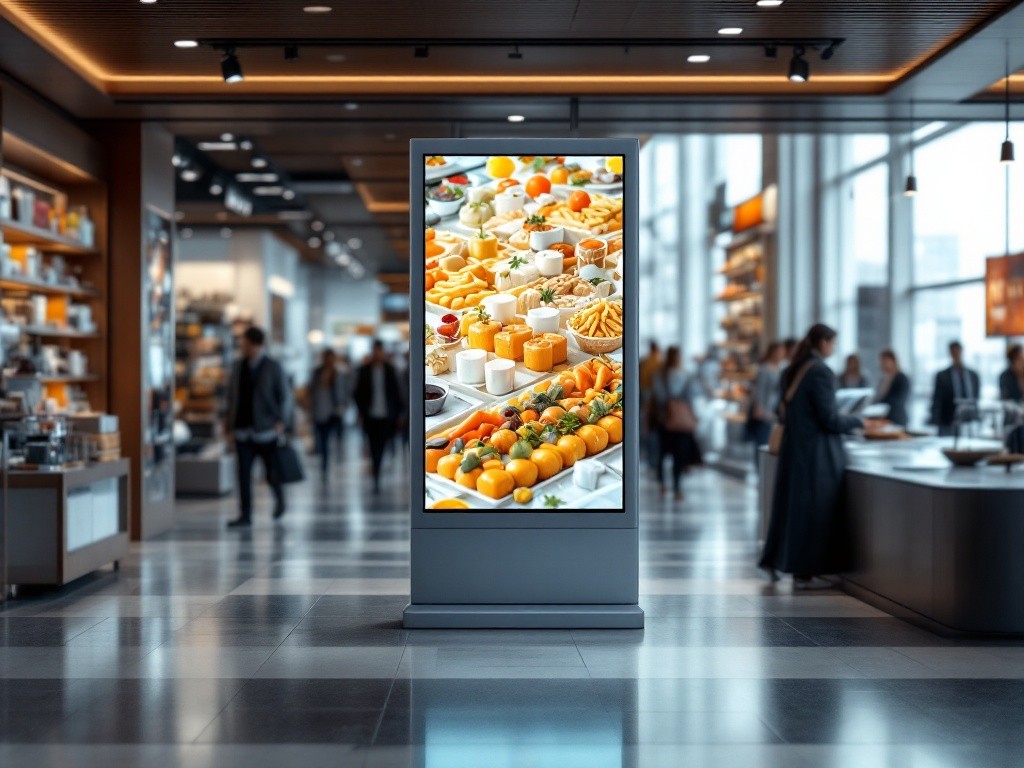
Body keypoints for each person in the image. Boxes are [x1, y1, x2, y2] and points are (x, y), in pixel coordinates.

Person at [759, 323, 864, 589]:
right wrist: (858, 422)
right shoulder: (821, 372)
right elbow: (829, 419)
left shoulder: (791, 369)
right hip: (816, 454)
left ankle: (781, 564)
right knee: (813, 511)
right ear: (824, 342)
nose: (835, 348)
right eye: (833, 343)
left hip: (793, 450)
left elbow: (781, 409)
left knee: (790, 509)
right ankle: (803, 570)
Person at [224, 326, 292, 527]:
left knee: (271, 471)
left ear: (256, 345)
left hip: (266, 430)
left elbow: (285, 395)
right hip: (243, 430)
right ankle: (245, 514)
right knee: (243, 475)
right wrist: (229, 424)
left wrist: (281, 421)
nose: (243, 347)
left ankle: (279, 499)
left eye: (245, 344)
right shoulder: (238, 366)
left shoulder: (273, 366)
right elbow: (232, 396)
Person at [353, 339, 404, 494]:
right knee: (373, 447)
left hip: (386, 417)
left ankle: (377, 470)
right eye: (375, 351)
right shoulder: (364, 370)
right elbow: (358, 393)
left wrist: (399, 414)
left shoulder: (389, 370)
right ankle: (376, 475)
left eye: (379, 351)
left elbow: (396, 393)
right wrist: (361, 412)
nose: (377, 354)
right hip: (370, 417)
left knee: (381, 447)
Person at [654, 346, 699, 501]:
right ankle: (677, 487)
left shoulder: (660, 375)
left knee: (662, 453)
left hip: (665, 419)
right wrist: (693, 415)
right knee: (679, 456)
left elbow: (659, 397)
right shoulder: (685, 375)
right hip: (681, 421)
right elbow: (690, 398)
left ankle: (662, 486)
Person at [309, 349, 348, 478]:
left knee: (329, 439)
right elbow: (311, 390)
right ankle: (324, 464)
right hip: (318, 411)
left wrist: (342, 406)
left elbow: (343, 392)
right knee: (321, 440)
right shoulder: (317, 373)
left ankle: (326, 463)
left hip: (332, 412)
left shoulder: (338, 374)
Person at [747, 341, 786, 470]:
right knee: (762, 442)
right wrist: (759, 407)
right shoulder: (765, 369)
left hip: (773, 412)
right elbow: (760, 390)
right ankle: (761, 470)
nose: (782, 354)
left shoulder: (780, 368)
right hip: (764, 412)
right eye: (779, 351)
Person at [929, 341, 981, 437]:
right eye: (953, 352)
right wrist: (934, 419)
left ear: (961, 352)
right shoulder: (942, 376)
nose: (956, 354)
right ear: (950, 353)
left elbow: (976, 397)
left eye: (958, 351)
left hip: (969, 421)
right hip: (948, 421)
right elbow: (937, 399)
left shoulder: (973, 375)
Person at [639, 341, 662, 473]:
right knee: (653, 429)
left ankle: (646, 455)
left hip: (643, 396)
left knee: (645, 427)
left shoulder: (644, 362)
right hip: (653, 399)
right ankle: (652, 459)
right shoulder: (657, 363)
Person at [874, 349, 911, 427]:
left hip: (897, 419)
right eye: (881, 361)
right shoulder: (882, 379)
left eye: (885, 361)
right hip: (882, 419)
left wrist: (884, 407)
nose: (883, 364)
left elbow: (900, 400)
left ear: (893, 361)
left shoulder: (902, 378)